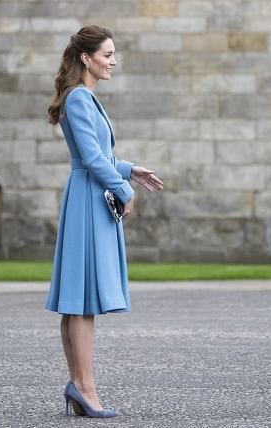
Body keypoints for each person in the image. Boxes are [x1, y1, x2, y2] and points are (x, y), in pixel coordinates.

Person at [45, 26, 163, 418]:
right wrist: (124, 190)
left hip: (88, 195)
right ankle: (84, 386)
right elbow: (92, 159)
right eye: (107, 54)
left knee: (78, 299)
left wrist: (130, 170)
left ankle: (80, 385)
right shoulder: (79, 97)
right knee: (80, 301)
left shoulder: (84, 97)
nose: (113, 61)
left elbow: (97, 155)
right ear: (86, 58)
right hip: (87, 199)